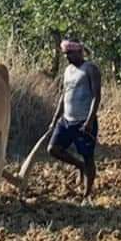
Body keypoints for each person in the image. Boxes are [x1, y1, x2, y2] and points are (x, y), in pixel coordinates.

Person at [47, 39, 102, 201]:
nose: (67, 57)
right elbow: (64, 95)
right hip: (66, 120)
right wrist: (55, 118)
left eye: (70, 53)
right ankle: (79, 166)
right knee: (53, 149)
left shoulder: (90, 69)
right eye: (65, 54)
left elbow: (96, 96)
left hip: (83, 121)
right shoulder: (67, 71)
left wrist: (89, 121)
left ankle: (87, 194)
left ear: (79, 52)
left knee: (88, 156)